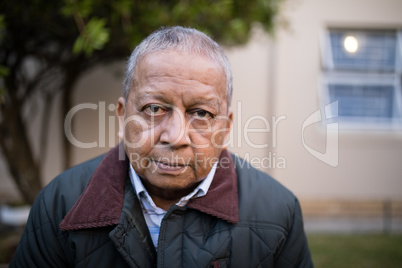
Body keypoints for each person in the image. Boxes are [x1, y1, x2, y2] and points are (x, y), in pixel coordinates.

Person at [11, 26, 313, 267]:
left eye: (201, 114)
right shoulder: (60, 202)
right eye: (154, 109)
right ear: (122, 116)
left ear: (225, 127)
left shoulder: (278, 212)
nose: (175, 136)